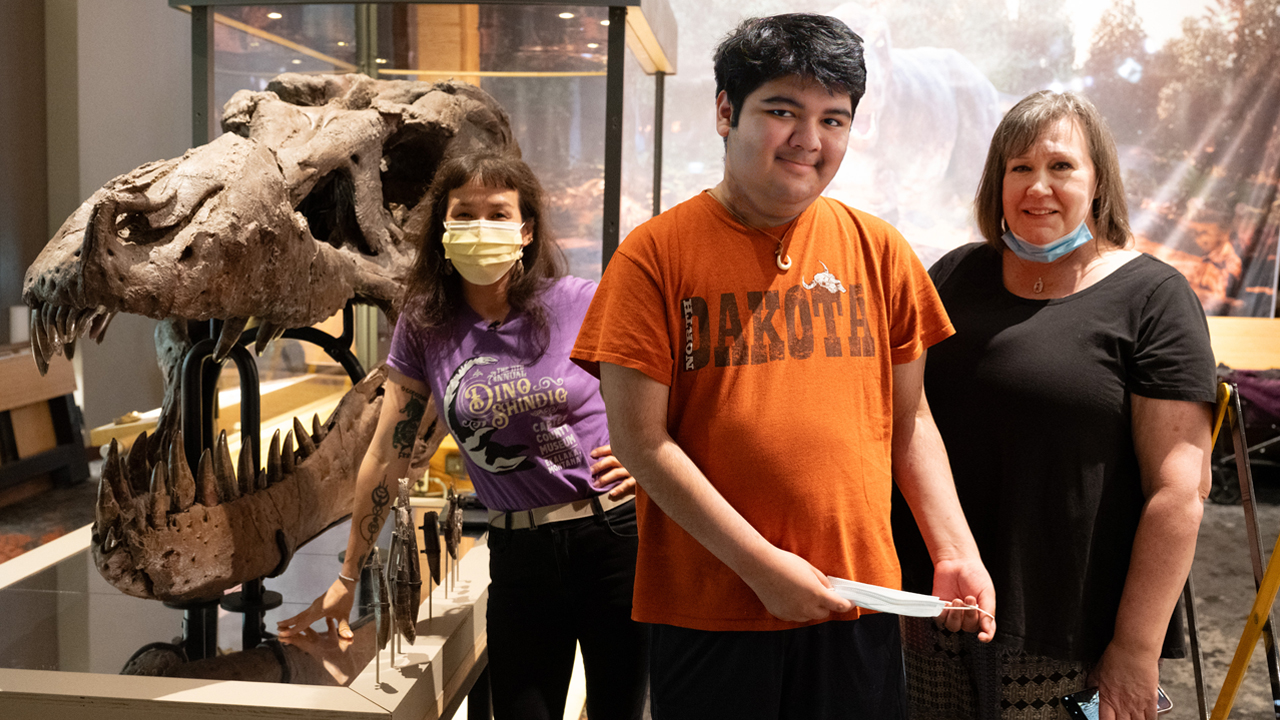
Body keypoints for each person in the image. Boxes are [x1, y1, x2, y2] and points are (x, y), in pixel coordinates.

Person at [570, 13, 995, 719]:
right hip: (711, 610)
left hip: (856, 603)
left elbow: (910, 416)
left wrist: (953, 547)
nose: (809, 140)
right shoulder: (654, 256)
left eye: (834, 119)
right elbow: (642, 444)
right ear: (724, 111)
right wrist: (762, 568)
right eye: (782, 111)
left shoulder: (879, 249)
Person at [277, 152, 649, 720]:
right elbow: (387, 451)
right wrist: (347, 575)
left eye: (498, 214)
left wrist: (643, 462)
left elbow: (664, 392)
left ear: (525, 230)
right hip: (520, 552)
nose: (481, 228)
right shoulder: (426, 324)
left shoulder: (580, 300)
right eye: (464, 213)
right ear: (443, 228)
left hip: (612, 538)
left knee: (619, 711)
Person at [891, 90, 1215, 720]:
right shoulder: (954, 276)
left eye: (1061, 166)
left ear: (1098, 184)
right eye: (1020, 168)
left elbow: (1178, 494)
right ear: (998, 182)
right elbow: (904, 419)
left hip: (1066, 641)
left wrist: (1135, 649)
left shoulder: (1154, 297)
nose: (1038, 186)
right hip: (935, 619)